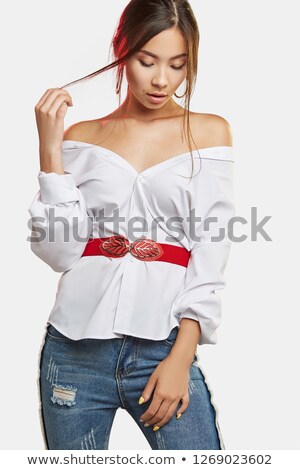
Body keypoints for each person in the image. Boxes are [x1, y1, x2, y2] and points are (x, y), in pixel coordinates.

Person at [28, 0, 235, 450]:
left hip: (163, 347)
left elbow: (211, 250)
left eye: (178, 65)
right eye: (147, 61)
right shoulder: (82, 137)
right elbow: (61, 253)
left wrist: (182, 357)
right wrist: (50, 151)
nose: (162, 79)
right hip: (73, 352)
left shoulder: (209, 133)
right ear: (122, 51)